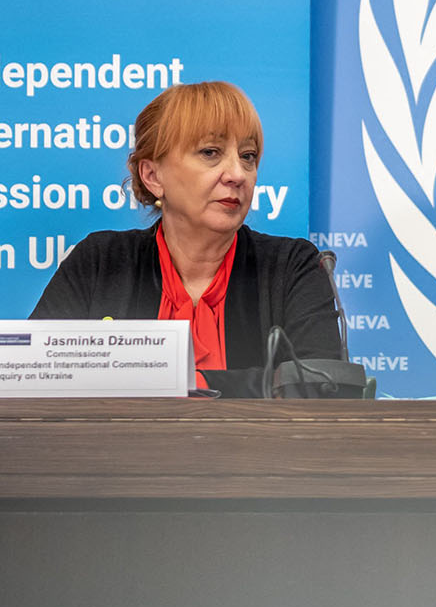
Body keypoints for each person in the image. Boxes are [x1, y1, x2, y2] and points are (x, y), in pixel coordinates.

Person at [31, 80, 344, 396]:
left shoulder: (290, 266)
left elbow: (325, 386)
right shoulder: (100, 263)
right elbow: (35, 375)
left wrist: (177, 383)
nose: (237, 174)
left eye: (248, 156)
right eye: (211, 152)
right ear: (153, 176)